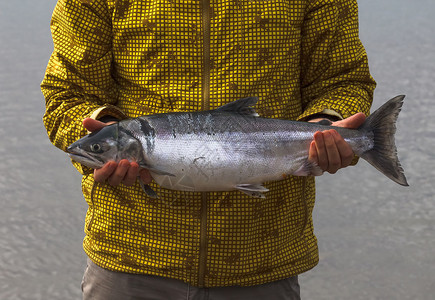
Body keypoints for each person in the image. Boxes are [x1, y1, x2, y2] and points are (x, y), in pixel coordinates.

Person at [42, 0, 375, 299]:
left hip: (263, 258)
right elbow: (66, 94)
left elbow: (343, 80)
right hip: (130, 257)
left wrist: (327, 125)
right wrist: (108, 134)